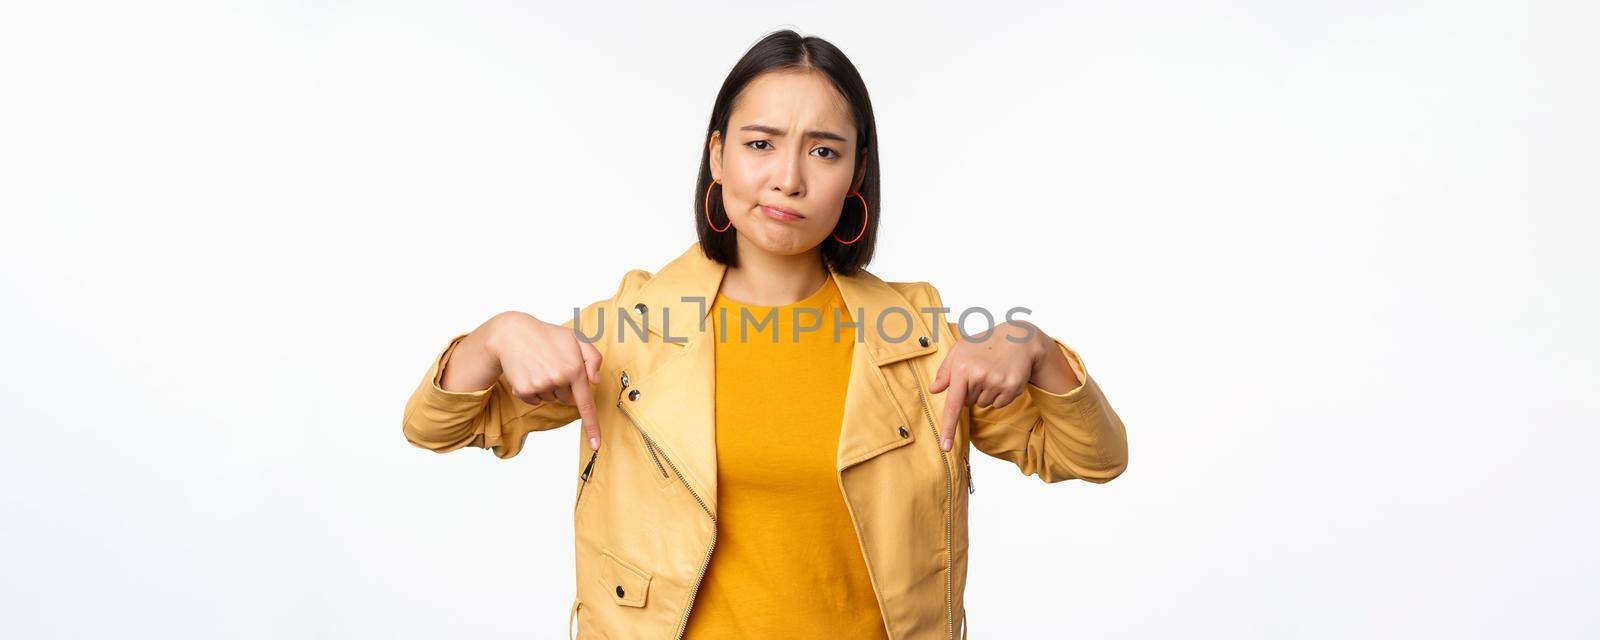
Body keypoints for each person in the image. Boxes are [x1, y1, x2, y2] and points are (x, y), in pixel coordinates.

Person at [400, 29, 1128, 640]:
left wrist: (1035, 349)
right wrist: (492, 338)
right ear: (717, 157)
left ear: (856, 173)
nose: (787, 177)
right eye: (760, 143)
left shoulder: (919, 338)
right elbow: (436, 426)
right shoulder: (634, 330)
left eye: (822, 150)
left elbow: (1092, 457)